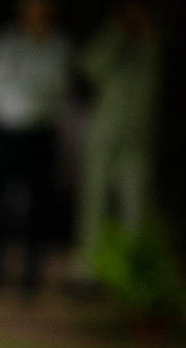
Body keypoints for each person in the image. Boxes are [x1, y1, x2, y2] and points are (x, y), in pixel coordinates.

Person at [0, 0, 70, 290]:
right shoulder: (2, 41)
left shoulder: (58, 46)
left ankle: (31, 275)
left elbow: (58, 87)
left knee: (38, 205)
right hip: (6, 131)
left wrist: (24, 86)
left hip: (41, 132)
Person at [76, 0, 159, 273]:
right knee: (93, 204)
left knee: (133, 209)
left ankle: (130, 273)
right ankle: (88, 271)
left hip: (136, 141)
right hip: (103, 136)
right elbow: (89, 67)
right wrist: (116, 31)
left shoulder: (152, 44)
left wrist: (143, 33)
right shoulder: (111, 41)